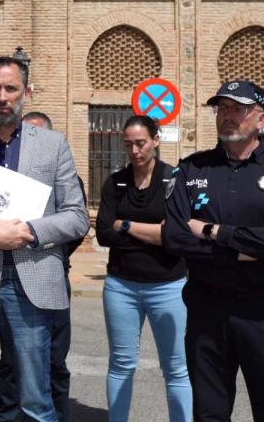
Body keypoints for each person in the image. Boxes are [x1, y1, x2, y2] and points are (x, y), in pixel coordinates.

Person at [0, 56, 88, 422]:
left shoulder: (53, 146)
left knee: (36, 401)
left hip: (32, 284)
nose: (2, 97)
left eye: (11, 88)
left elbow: (75, 216)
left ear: (26, 92)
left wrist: (27, 232)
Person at [164, 80, 264, 422]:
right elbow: (174, 237)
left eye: (239, 110)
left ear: (261, 120)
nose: (228, 116)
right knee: (208, 413)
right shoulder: (191, 169)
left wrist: (213, 231)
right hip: (207, 308)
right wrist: (247, 248)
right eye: (222, 108)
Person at [96, 115, 190, 422]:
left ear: (156, 140)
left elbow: (175, 237)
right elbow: (103, 234)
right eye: (128, 144)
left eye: (141, 143)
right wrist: (152, 233)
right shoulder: (115, 182)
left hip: (168, 286)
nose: (135, 150)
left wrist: (124, 224)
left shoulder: (175, 180)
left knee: (176, 367)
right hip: (121, 286)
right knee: (121, 363)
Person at [0, 110, 83, 422]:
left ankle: (56, 414)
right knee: (9, 360)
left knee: (53, 359)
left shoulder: (64, 176)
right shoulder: (2, 178)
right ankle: (8, 413)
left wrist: (44, 248)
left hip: (49, 276)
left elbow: (75, 225)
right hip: (5, 277)